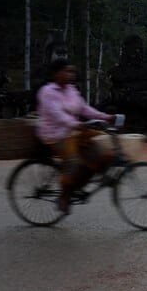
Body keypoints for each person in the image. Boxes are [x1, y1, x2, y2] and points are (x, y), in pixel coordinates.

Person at [36, 59, 116, 214]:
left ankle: (78, 183)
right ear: (56, 74)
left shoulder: (71, 90)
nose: (71, 74)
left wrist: (106, 117)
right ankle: (64, 197)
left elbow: (84, 109)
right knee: (74, 163)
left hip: (74, 132)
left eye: (72, 71)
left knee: (104, 151)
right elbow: (57, 114)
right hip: (55, 136)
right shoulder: (47, 92)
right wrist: (76, 124)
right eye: (67, 71)